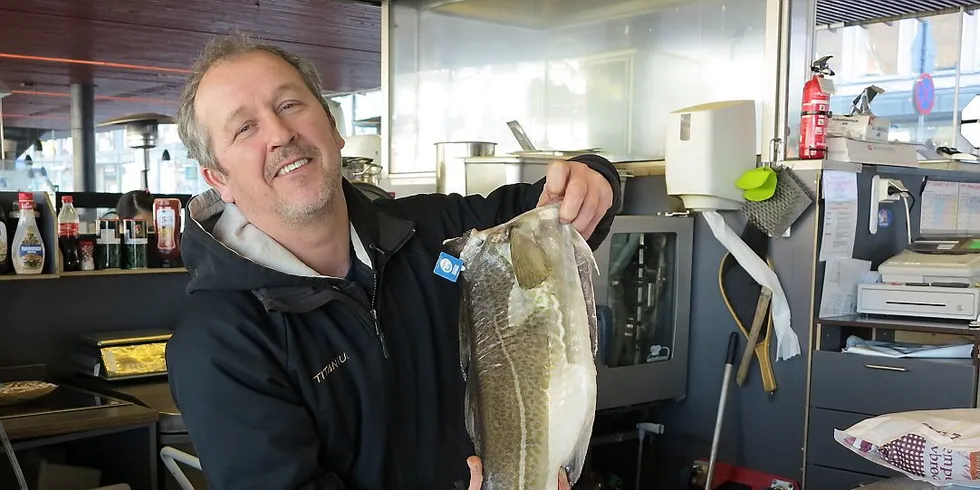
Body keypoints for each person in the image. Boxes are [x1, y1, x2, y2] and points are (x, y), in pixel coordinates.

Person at [165, 31, 623, 490]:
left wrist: (590, 177)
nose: (281, 134)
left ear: (332, 126)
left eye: (289, 105)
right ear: (217, 178)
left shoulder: (433, 233)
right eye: (245, 128)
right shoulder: (218, 343)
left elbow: (544, 214)